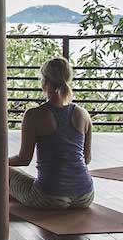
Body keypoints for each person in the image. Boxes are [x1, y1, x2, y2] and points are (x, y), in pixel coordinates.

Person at [8, 56, 94, 209]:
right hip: (85, 196)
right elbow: (86, 159)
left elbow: (23, 159)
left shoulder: (33, 115)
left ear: (45, 82)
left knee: (7, 173)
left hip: (49, 197)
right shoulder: (83, 114)